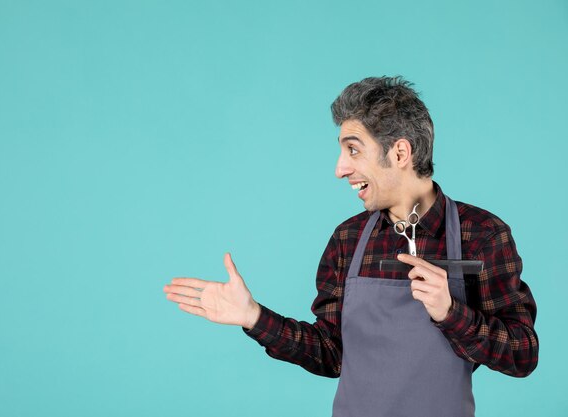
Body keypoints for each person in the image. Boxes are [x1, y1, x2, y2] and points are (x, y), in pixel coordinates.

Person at [163, 76, 539, 417]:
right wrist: (254, 317)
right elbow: (331, 353)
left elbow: (522, 354)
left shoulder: (483, 235)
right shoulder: (348, 240)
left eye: (353, 150)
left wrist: (450, 313)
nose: (340, 168)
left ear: (400, 153)